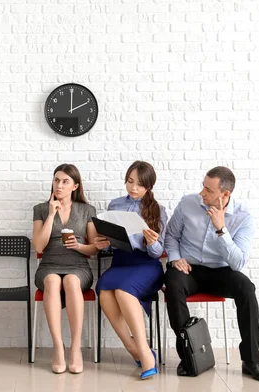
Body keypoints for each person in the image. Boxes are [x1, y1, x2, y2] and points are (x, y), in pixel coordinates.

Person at [164, 166, 259, 382]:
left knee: (246, 289)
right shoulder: (187, 203)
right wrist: (175, 258)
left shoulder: (243, 217)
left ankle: (251, 361)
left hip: (220, 271)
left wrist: (221, 229)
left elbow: (238, 262)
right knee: (173, 286)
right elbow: (171, 236)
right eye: (203, 187)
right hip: (188, 268)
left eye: (208, 190)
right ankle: (188, 356)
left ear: (225, 195)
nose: (202, 193)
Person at [94, 161, 167, 380]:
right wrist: (104, 243)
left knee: (124, 292)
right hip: (121, 261)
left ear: (149, 186)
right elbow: (112, 239)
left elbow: (158, 252)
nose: (133, 188)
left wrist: (152, 242)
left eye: (139, 184)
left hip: (146, 265)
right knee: (104, 290)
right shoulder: (115, 204)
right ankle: (133, 349)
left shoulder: (158, 210)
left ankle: (144, 353)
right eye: (130, 182)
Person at [32, 164, 98, 374]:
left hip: (78, 266)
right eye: (56, 180)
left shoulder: (87, 210)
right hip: (49, 265)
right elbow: (39, 246)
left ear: (75, 186)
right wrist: (51, 215)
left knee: (70, 280)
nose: (59, 185)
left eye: (65, 181)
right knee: (52, 280)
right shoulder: (41, 209)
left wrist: (79, 246)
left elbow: (94, 248)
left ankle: (75, 348)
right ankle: (58, 348)